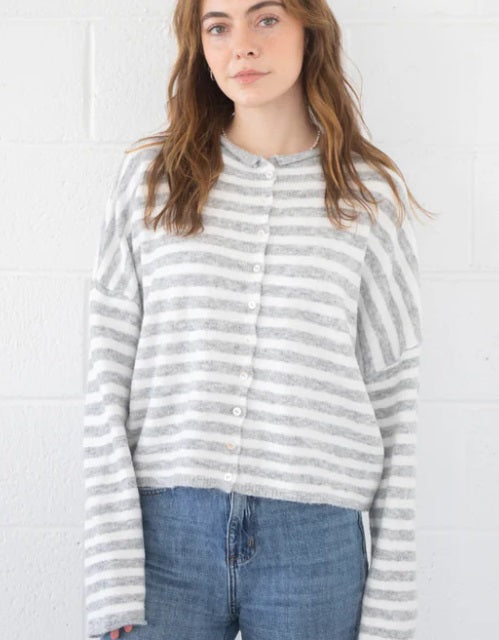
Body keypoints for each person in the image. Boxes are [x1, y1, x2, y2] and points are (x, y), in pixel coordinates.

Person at [83, 1, 436, 639]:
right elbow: (105, 379)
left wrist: (391, 614)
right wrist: (111, 577)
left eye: (266, 18)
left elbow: (396, 403)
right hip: (165, 540)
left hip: (315, 544)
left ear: (310, 30)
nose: (241, 44)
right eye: (218, 26)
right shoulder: (152, 181)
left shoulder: (366, 197)